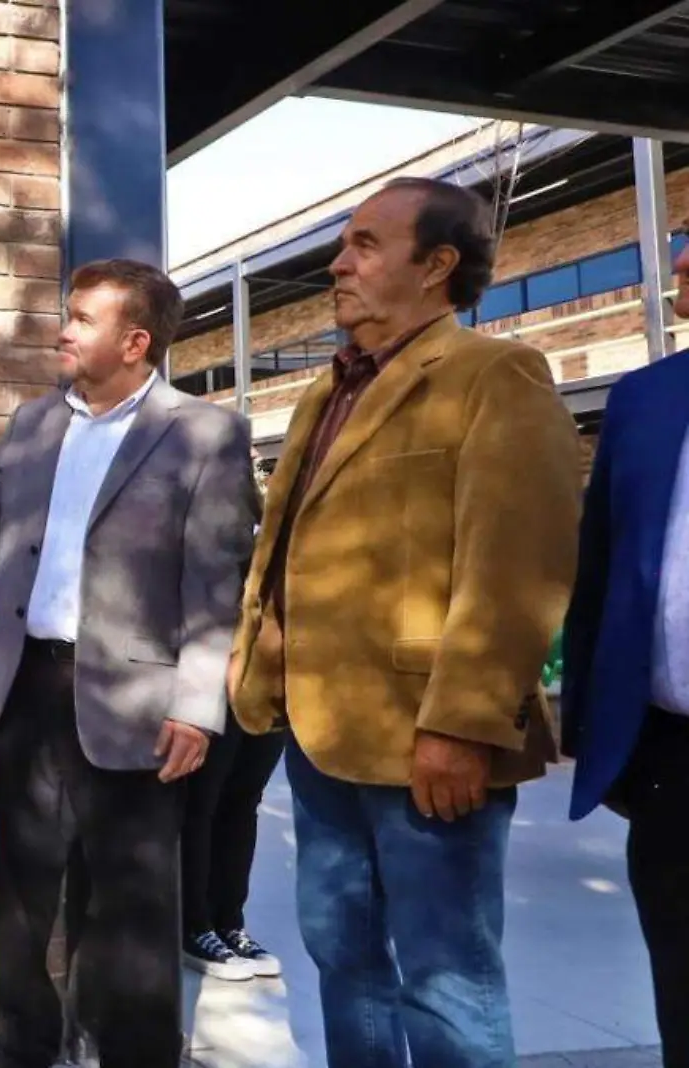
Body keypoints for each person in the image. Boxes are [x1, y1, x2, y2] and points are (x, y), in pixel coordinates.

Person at [0, 258, 258, 1068]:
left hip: (139, 705)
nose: (63, 329)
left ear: (136, 341)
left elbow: (215, 587)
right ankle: (22, 1048)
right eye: (68, 314)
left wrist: (198, 708)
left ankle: (132, 1054)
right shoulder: (35, 424)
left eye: (83, 318)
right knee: (22, 900)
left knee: (131, 910)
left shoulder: (205, 434)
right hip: (28, 693)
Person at [228, 177, 579, 1068]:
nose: (338, 266)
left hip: (430, 741)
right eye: (343, 246)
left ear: (437, 266)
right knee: (342, 958)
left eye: (364, 245)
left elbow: (517, 569)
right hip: (318, 734)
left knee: (446, 974)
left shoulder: (494, 374)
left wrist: (461, 725)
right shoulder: (325, 389)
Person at [561, 232, 689, 1068]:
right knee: (681, 976)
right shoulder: (645, 399)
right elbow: (600, 562)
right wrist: (589, 729)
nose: (678, 269)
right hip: (673, 752)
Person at [178, 704, 286, 980]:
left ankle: (229, 922)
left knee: (244, 803)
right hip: (217, 682)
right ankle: (195, 926)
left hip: (269, 684)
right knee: (202, 803)